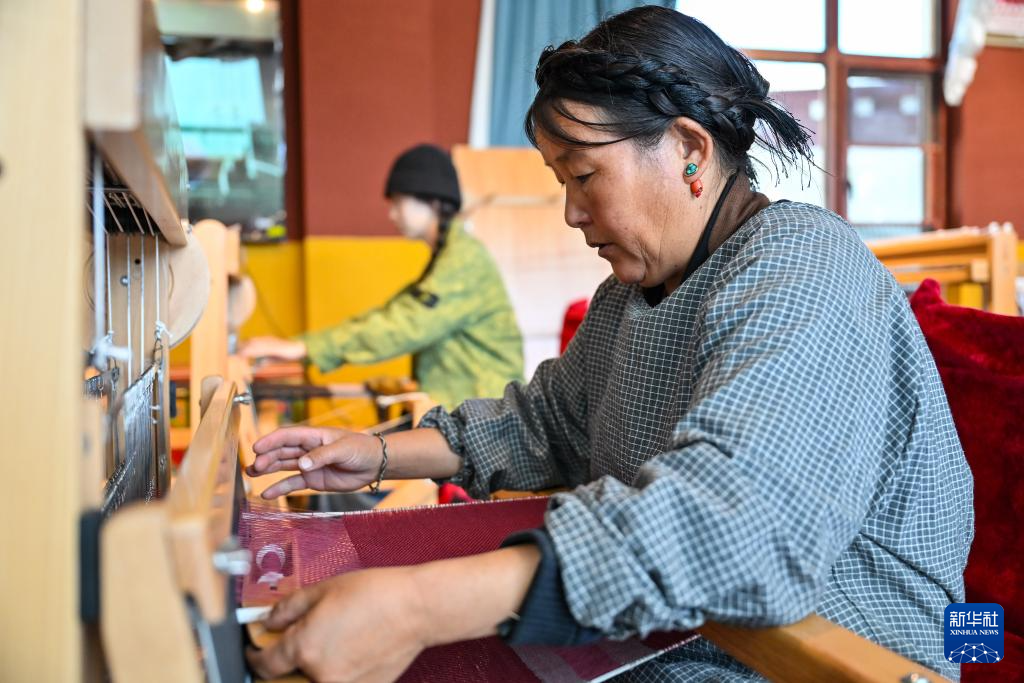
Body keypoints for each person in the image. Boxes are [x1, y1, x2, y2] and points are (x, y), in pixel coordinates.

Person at [245, 7, 973, 681]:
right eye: (562, 181)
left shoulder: (806, 264)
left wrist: (416, 607)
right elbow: (547, 422)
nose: (571, 211)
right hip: (695, 628)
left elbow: (739, 522)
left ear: (689, 150)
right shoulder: (628, 297)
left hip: (835, 649)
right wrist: (376, 453)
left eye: (585, 175)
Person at [241, 144, 524, 409]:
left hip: (488, 418)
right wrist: (305, 347)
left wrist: (304, 347)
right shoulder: (450, 256)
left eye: (398, 203)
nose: (392, 214)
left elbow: (401, 325)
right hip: (472, 408)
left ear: (432, 201)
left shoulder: (463, 260)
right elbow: (392, 314)